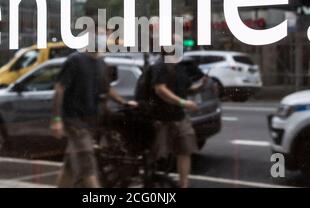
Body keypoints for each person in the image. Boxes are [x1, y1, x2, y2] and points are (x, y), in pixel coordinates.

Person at [50, 39, 137, 188]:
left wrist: (124, 102)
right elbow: (59, 89)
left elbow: (107, 89)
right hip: (75, 122)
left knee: (70, 168)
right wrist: (56, 119)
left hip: (89, 122)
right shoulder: (75, 60)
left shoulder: (100, 63)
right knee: (88, 168)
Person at [149, 46, 207, 188]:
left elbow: (186, 89)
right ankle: (151, 181)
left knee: (185, 150)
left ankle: (183, 184)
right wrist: (183, 102)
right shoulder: (161, 65)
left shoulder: (180, 68)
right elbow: (160, 89)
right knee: (157, 154)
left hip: (179, 116)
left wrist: (200, 86)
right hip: (162, 118)